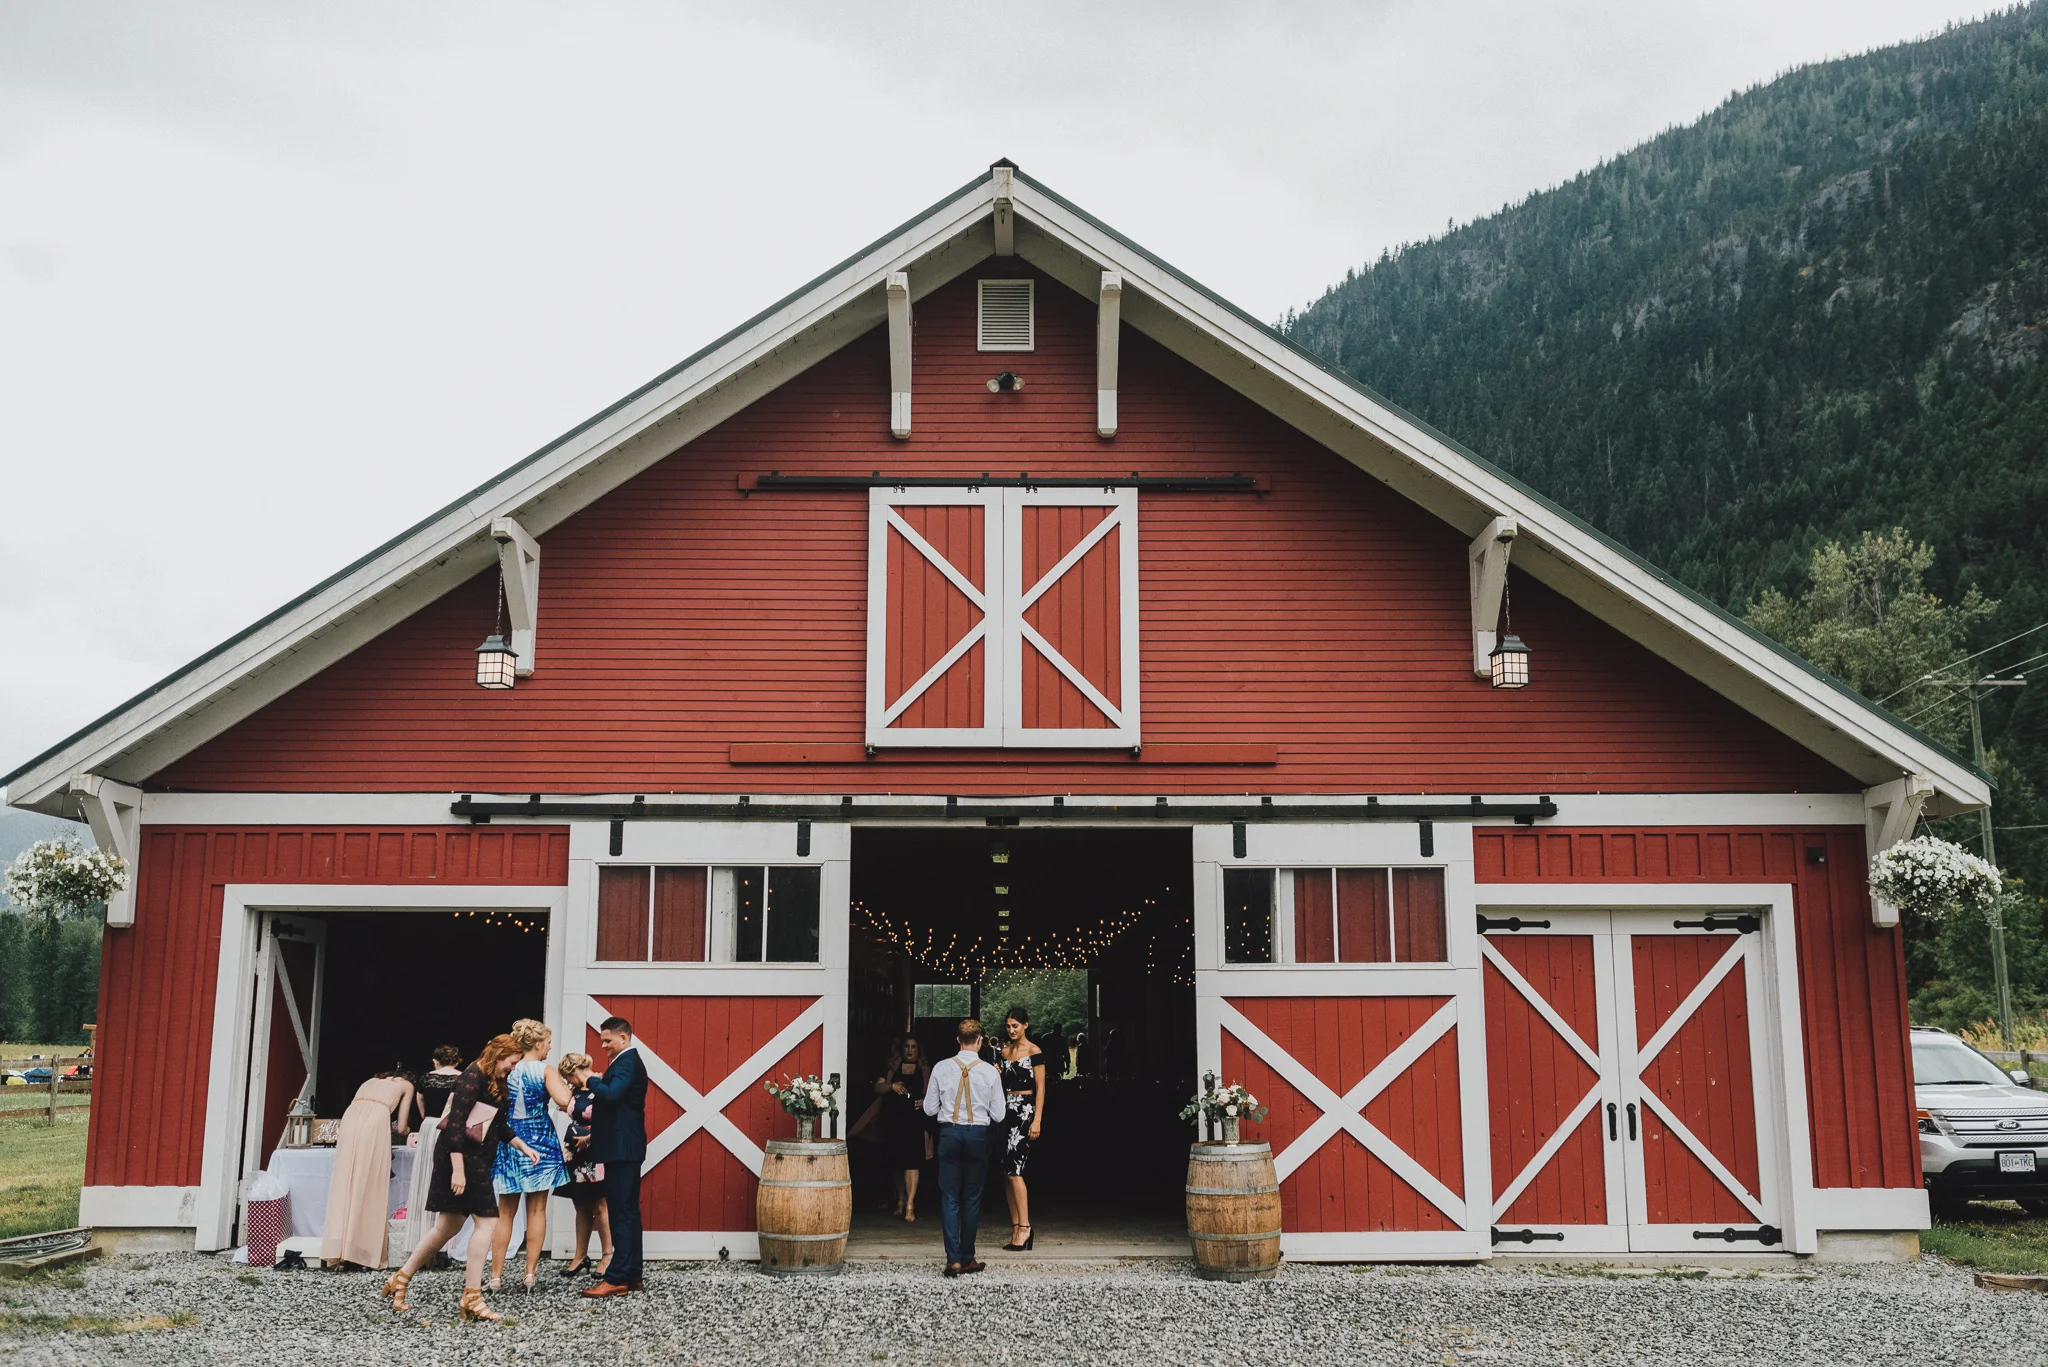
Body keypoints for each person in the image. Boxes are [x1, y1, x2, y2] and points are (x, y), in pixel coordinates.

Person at [379, 1034, 536, 1323]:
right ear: (499, 1055)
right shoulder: (471, 1077)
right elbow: (454, 1126)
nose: (513, 1068)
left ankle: (399, 1279)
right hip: (461, 1157)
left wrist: (523, 1147)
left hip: (474, 1157)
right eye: (512, 1062)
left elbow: (498, 1124)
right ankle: (472, 1296)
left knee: (447, 1226)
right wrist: (459, 1169)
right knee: (487, 1221)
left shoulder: (493, 1080)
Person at [487, 1018, 572, 1292]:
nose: (549, 1048)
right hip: (540, 1139)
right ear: (537, 1043)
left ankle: (496, 1276)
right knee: (537, 1209)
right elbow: (564, 1100)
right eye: (547, 1042)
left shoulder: (508, 1069)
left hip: (509, 1138)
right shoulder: (546, 1070)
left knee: (505, 1211)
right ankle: (529, 1275)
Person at [921, 1017, 1005, 1278]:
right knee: (971, 1198)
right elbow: (1000, 1115)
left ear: (958, 1040)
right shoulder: (990, 1072)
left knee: (949, 1197)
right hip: (977, 1135)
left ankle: (953, 1259)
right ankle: (967, 1257)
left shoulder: (941, 1068)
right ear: (980, 1041)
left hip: (949, 1134)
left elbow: (929, 1109)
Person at [320, 1068, 414, 1270]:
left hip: (350, 1120)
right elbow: (401, 1127)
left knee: (345, 1181)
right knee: (370, 1183)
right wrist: (407, 1131)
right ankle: (362, 1251)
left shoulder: (370, 1081)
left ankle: (338, 1249)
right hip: (375, 1123)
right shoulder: (406, 1086)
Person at [582, 1015, 647, 1299]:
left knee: (622, 1213)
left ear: (624, 1037)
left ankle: (618, 1277)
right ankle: (632, 1274)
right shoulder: (624, 1062)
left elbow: (611, 1094)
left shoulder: (627, 1062)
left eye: (608, 1040)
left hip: (622, 1148)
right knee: (628, 1212)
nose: (604, 1046)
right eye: (602, 1041)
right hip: (624, 1146)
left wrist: (590, 1080)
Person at [555, 1052, 613, 1278]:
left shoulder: (601, 1087)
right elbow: (563, 1103)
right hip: (574, 1151)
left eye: (568, 1077)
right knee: (579, 1204)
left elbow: (609, 1120)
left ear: (574, 1072)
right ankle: (580, 1255)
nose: (568, 1081)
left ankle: (607, 1254)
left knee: (599, 1205)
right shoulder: (575, 1090)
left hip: (594, 1149)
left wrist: (588, 1139)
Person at [996, 1006, 1046, 1252]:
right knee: (1006, 1172)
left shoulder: (1034, 1051)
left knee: (1015, 1169)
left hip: (1024, 1111)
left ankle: (1025, 1227)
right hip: (1005, 1111)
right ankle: (1015, 1225)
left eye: (1015, 1025)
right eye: (1008, 1026)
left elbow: (1041, 1088)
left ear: (1026, 1025)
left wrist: (1037, 1119)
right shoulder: (1004, 1051)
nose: (1011, 1030)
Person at [875, 1034, 932, 1221]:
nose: (910, 1050)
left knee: (913, 1162)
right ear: (902, 1048)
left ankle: (910, 1205)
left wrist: (925, 1102)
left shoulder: (925, 1069)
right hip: (894, 1119)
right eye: (907, 1046)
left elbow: (936, 1091)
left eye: (913, 1047)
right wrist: (892, 1086)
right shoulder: (892, 1066)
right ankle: (900, 1200)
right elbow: (877, 1087)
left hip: (915, 1120)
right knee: (897, 1163)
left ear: (918, 1049)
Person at [415, 1044, 464, 1124]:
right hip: (453, 1123)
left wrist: (424, 1117)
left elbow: (420, 1098)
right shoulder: (463, 1078)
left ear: (435, 1061)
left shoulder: (427, 1077)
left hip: (430, 1122)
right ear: (456, 1063)